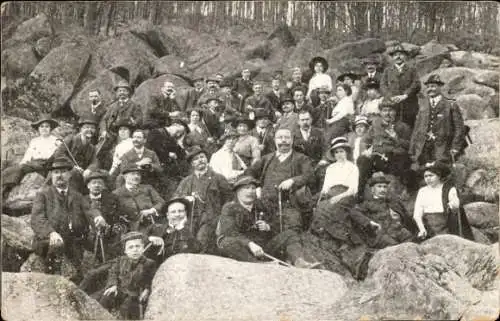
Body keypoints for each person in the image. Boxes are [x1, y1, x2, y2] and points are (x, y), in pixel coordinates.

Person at [216, 176, 321, 268]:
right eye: (246, 188)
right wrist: (249, 244)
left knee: (289, 234)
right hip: (243, 249)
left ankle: (299, 261)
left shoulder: (261, 206)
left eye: (253, 188)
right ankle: (255, 264)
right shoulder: (230, 207)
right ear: (238, 191)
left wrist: (268, 227)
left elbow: (276, 225)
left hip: (264, 248)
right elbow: (229, 231)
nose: (250, 191)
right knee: (226, 242)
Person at [31, 157, 103, 282]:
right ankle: (52, 276)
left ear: (69, 175)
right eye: (56, 172)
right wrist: (51, 233)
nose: (59, 175)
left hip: (72, 239)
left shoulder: (76, 195)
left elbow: (89, 210)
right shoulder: (43, 194)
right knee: (56, 249)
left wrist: (98, 217)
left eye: (63, 172)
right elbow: (37, 218)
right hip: (48, 240)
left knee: (80, 273)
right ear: (52, 175)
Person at [348, 172, 419, 278]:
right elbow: (353, 213)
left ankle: (412, 269)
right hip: (379, 234)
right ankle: (396, 273)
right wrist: (369, 222)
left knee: (410, 240)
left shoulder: (391, 201)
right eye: (379, 187)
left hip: (395, 230)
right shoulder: (366, 203)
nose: (382, 189)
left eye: (385, 187)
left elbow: (404, 215)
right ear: (373, 189)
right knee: (394, 246)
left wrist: (399, 219)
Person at [244, 128, 315, 232]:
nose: (283, 141)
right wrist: (256, 186)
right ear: (275, 140)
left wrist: (293, 181)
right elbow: (249, 172)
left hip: (290, 206)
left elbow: (309, 175)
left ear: (292, 140)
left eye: (287, 137)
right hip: (265, 205)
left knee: (290, 232)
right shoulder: (267, 158)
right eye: (280, 138)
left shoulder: (301, 158)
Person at [173, 146, 233, 253]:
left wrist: (222, 219)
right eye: (196, 159)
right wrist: (184, 200)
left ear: (206, 159)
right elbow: (175, 200)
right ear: (192, 164)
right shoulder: (186, 181)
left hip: (210, 218)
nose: (200, 160)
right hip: (191, 220)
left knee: (201, 243)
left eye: (202, 157)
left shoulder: (218, 178)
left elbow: (229, 200)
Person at [356, 99, 413, 193]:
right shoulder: (375, 125)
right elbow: (364, 140)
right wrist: (365, 151)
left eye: (391, 110)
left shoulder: (403, 127)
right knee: (362, 160)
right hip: (377, 158)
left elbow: (410, 146)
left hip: (395, 158)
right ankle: (360, 194)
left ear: (395, 112)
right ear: (381, 112)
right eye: (384, 110)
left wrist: (396, 138)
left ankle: (403, 191)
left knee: (402, 160)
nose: (387, 113)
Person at [410, 74, 466, 167]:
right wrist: (412, 149)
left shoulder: (450, 105)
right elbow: (417, 128)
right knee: (420, 169)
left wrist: (455, 147)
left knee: (440, 169)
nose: (430, 89)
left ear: (440, 87)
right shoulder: (423, 105)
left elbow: (459, 129)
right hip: (424, 146)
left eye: (433, 86)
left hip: (443, 146)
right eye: (428, 87)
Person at [98, 231, 157, 320]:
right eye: (131, 247)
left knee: (127, 310)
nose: (135, 250)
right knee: (105, 298)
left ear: (143, 248)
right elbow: (113, 273)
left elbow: (151, 279)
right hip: (120, 290)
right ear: (125, 251)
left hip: (135, 295)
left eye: (138, 246)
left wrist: (147, 289)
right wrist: (113, 285)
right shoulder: (121, 260)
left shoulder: (149, 263)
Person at [2, 114, 60, 199]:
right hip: (35, 163)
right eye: (42, 126)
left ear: (50, 128)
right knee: (13, 170)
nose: (44, 128)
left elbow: (59, 154)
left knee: (22, 168)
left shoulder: (56, 140)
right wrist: (22, 164)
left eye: (47, 126)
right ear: (38, 129)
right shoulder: (34, 141)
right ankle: (7, 188)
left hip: (48, 164)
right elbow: (28, 155)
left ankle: (6, 190)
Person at [413, 161, 474, 240]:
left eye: (431, 175)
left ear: (439, 176)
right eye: (426, 176)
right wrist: (422, 229)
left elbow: (455, 204)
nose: (428, 178)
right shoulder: (422, 191)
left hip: (446, 225)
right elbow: (417, 214)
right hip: (428, 227)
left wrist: (453, 204)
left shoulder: (449, 189)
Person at [145, 197, 202, 265]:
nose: (177, 214)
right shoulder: (155, 228)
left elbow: (197, 250)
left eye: (180, 211)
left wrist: (181, 228)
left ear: (186, 213)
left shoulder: (194, 229)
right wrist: (150, 239)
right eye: (173, 212)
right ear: (167, 215)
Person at [51, 115, 100, 193]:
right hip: (65, 169)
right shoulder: (71, 139)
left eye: (92, 128)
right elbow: (59, 154)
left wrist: (89, 170)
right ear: (81, 129)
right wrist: (73, 166)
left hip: (82, 173)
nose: (89, 130)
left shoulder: (92, 147)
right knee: (74, 174)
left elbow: (95, 161)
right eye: (86, 127)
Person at [112, 164, 165, 233]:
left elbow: (161, 202)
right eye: (133, 174)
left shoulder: (148, 188)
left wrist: (151, 210)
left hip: (149, 225)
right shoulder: (116, 193)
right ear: (125, 177)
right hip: (128, 229)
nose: (136, 176)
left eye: (138, 174)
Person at [84, 170, 124, 263]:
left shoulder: (112, 198)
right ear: (88, 186)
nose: (97, 185)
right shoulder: (83, 199)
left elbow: (118, 215)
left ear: (103, 186)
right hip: (88, 236)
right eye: (94, 183)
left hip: (109, 235)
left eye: (100, 183)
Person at [381, 43, 421, 128]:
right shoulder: (387, 70)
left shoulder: (412, 69)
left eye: (401, 54)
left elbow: (417, 84)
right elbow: (383, 85)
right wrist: (390, 96)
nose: (398, 57)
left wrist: (405, 95)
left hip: (409, 104)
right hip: (392, 104)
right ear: (392, 57)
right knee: (392, 126)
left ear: (405, 56)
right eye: (396, 55)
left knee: (409, 127)